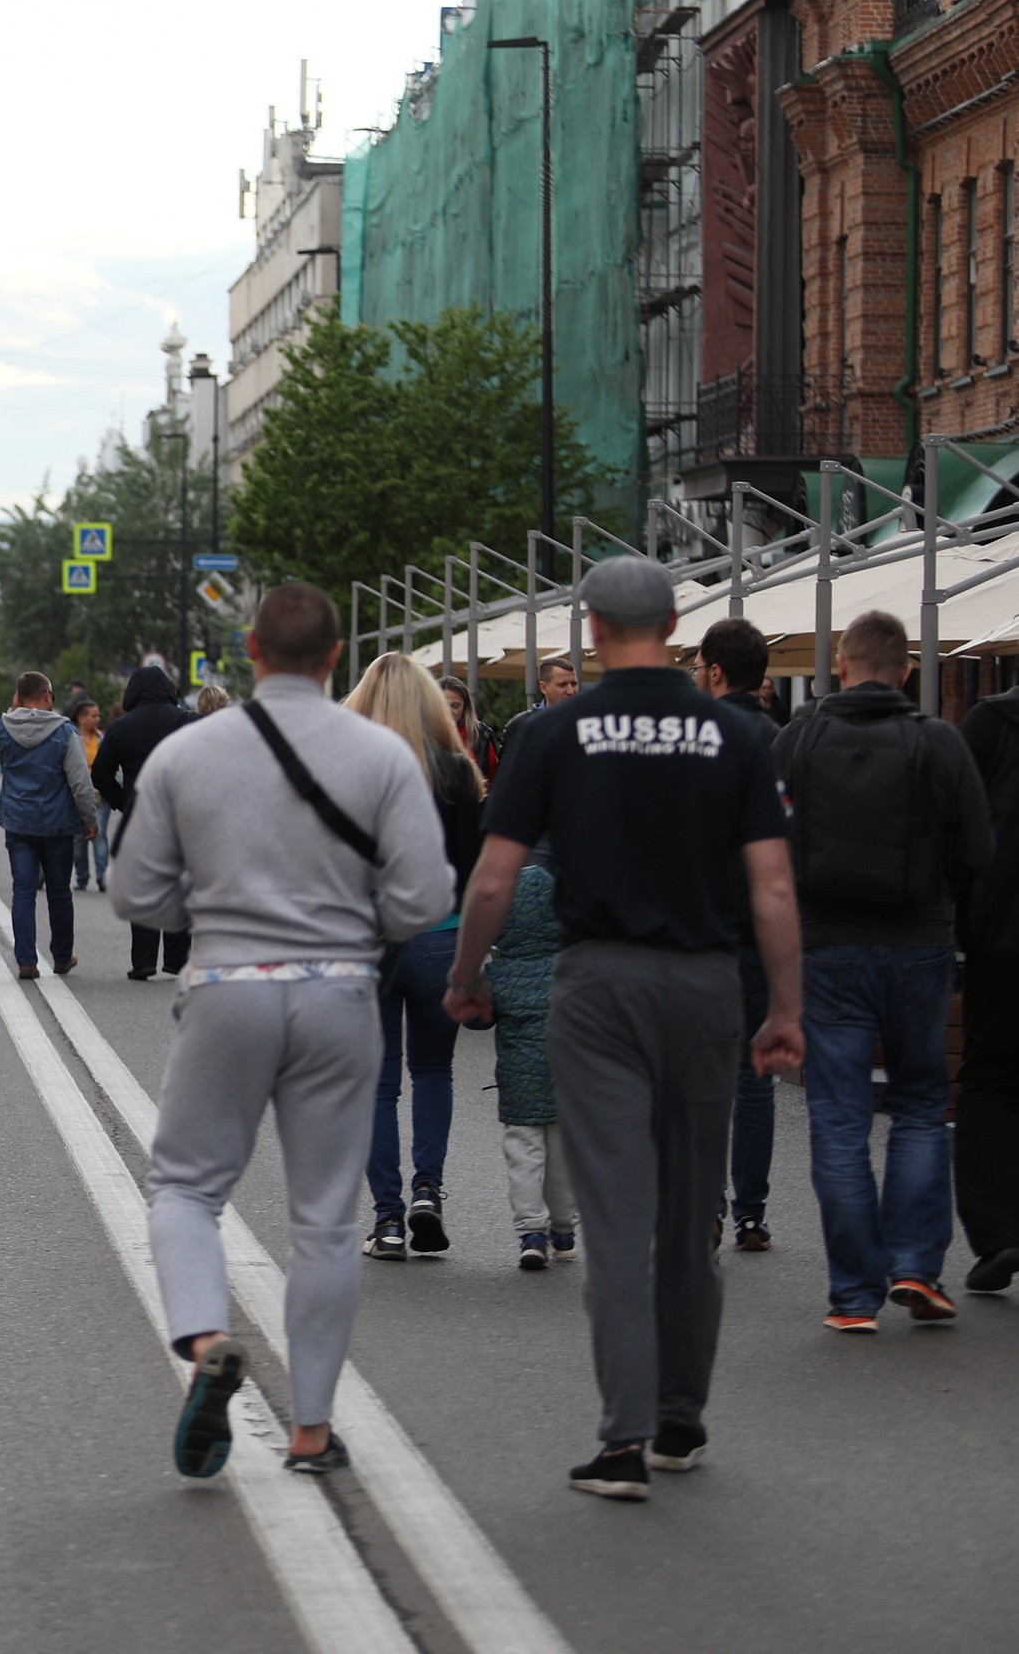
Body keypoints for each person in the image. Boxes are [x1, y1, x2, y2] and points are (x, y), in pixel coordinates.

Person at [444, 556, 803, 1501]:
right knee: (689, 1215)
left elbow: (493, 877)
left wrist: (467, 975)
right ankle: (682, 1418)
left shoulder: (555, 732)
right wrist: (785, 1009)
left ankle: (621, 1441)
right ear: (677, 622)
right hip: (703, 988)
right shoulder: (734, 734)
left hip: (598, 986)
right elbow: (771, 885)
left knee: (614, 1220)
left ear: (592, 629)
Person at [114, 584, 453, 1481]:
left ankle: (209, 1337)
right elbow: (426, 898)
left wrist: (221, 910)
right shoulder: (381, 755)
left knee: (186, 1187)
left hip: (227, 983)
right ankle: (309, 1431)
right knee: (326, 1222)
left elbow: (135, 894)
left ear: (252, 650)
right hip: (341, 991)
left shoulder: (191, 752)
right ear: (335, 656)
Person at [772, 610, 993, 1328]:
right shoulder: (938, 742)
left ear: (840, 663)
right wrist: (941, 901)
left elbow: (765, 844)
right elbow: (977, 848)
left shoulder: (796, 739)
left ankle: (853, 1295)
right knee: (922, 1105)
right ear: (905, 670)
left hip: (826, 945)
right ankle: (916, 1268)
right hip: (920, 944)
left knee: (837, 1119)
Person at [342, 653, 483, 1261]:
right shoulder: (458, 772)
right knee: (434, 1072)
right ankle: (429, 1189)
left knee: (376, 1086)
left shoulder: (346, 770)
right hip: (442, 937)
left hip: (368, 942)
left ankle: (389, 1219)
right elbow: (479, 873)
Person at [696, 615, 784, 1250]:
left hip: (701, 929)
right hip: (762, 928)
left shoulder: (698, 740)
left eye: (699, 667)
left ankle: (707, 1209)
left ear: (717, 672)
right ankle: (752, 1212)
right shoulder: (782, 741)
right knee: (756, 1078)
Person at [488, 838, 578, 1270]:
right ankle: (563, 1226)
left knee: (524, 1152)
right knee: (563, 1153)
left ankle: (530, 1232)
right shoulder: (573, 968)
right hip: (566, 1076)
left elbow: (477, 1020)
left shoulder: (499, 972)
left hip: (519, 1082)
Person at [959, 674, 1019, 1294]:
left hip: (1001, 934)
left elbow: (963, 830)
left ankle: (998, 1232)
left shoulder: (991, 724)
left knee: (988, 1080)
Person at [0, 671, 99, 981]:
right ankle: (62, 956)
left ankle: (27, 961)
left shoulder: (3, 726)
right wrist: (89, 819)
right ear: (48, 696)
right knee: (59, 891)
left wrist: (13, 711)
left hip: (18, 822)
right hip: (57, 824)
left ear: (18, 697)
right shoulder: (65, 731)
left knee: (23, 891)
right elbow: (80, 782)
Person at [94, 664, 192, 979]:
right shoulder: (189, 723)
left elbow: (101, 774)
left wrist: (123, 802)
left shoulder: (121, 727)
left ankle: (144, 960)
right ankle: (177, 959)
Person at [72, 700, 107, 890]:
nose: (97, 719)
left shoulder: (101, 739)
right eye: (93, 716)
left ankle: (103, 879)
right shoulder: (71, 737)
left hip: (99, 794)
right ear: (82, 718)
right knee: (78, 837)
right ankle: (82, 877)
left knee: (99, 834)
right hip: (79, 792)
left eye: (98, 715)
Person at [441, 676, 498, 778]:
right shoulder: (421, 735)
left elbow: (494, 779)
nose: (449, 712)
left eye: (455, 706)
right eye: (443, 706)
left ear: (465, 706)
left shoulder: (481, 734)